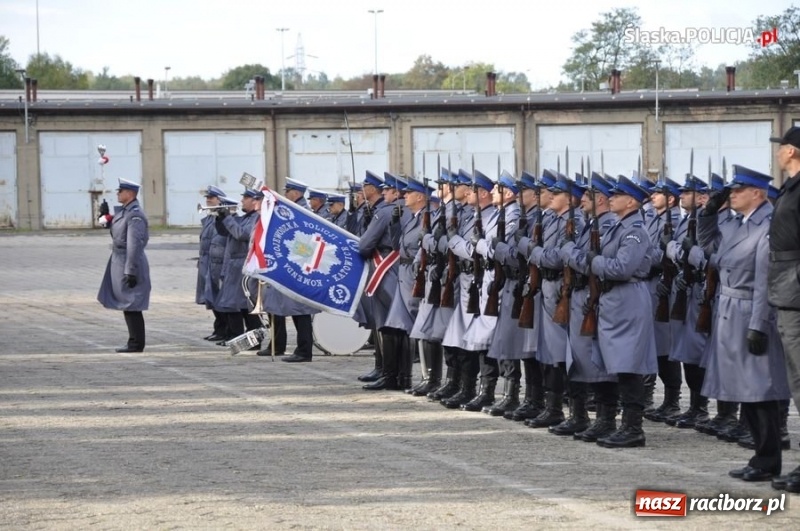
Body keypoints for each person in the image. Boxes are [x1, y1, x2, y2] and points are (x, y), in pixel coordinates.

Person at [686, 165, 790, 483]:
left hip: (751, 313)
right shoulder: (735, 222)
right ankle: (761, 457)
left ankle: (768, 458)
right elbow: (709, 248)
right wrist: (707, 212)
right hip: (728, 310)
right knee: (747, 391)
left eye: (737, 191)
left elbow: (764, 282)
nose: (731, 195)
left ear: (757, 193)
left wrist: (758, 324)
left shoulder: (767, 226)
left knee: (761, 391)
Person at [589, 175, 657, 448]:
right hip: (614, 299)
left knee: (630, 365)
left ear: (631, 201)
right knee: (616, 363)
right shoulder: (618, 228)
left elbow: (621, 268)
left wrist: (594, 261)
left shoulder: (634, 231)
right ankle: (616, 422)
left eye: (617, 196)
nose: (611, 199)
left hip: (628, 298)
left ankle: (633, 428)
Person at [768, 126, 800, 493]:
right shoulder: (789, 188)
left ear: (791, 151)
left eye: (782, 147)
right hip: (786, 289)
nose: (778, 152)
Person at [259, 177, 318, 362]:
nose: (285, 195)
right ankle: (300, 349)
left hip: (299, 268)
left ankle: (304, 351)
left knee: (301, 312)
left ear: (296, 193)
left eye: (288, 192)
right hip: (293, 266)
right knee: (295, 310)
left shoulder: (302, 212)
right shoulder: (296, 210)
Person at [97, 178, 151, 353]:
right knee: (127, 303)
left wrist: (131, 270)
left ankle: (136, 343)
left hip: (129, 261)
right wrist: (105, 218)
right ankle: (133, 341)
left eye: (121, 191)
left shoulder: (134, 215)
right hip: (120, 260)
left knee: (132, 303)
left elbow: (134, 245)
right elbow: (119, 232)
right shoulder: (126, 212)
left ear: (131, 194)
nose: (118, 193)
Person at [215, 187, 263, 344]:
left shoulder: (256, 218)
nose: (242, 200)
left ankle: (252, 340)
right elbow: (225, 232)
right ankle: (240, 339)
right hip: (234, 266)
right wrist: (221, 218)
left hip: (244, 266)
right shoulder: (245, 217)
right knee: (235, 304)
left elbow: (241, 234)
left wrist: (228, 218)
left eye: (245, 198)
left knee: (246, 306)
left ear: (254, 201)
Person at [197, 185, 231, 342]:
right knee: (209, 297)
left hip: (217, 262)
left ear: (220, 201)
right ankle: (219, 329)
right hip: (206, 261)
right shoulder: (209, 218)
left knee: (219, 298)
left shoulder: (222, 218)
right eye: (207, 198)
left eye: (211, 198)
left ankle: (225, 330)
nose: (208, 200)